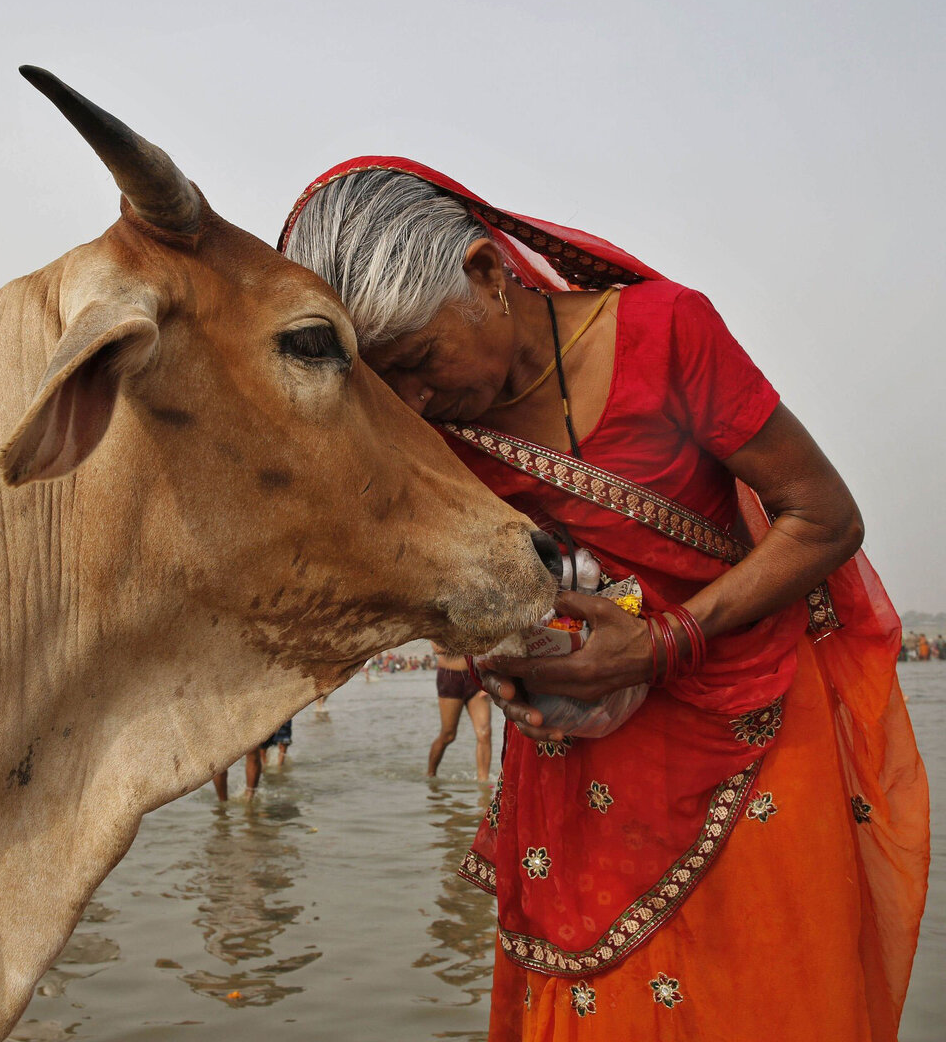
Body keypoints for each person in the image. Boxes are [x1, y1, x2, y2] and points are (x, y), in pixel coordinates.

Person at [280, 158, 929, 1041]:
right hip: (578, 751)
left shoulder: (668, 336)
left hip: (753, 719)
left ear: (483, 273)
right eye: (388, 383)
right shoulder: (430, 431)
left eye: (421, 361)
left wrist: (661, 645)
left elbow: (823, 519)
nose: (416, 400)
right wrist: (497, 659)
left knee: (763, 998)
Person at [429, 644, 493, 781]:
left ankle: (484, 785)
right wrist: (471, 644)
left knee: (485, 732)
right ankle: (430, 775)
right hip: (450, 678)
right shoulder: (443, 621)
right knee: (448, 735)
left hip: (477, 677)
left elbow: (491, 643)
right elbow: (438, 648)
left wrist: (491, 679)